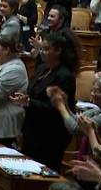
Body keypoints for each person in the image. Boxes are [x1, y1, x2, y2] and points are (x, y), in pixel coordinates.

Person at [15, 31, 77, 172]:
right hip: (32, 129)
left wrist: (29, 102)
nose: (42, 52)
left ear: (58, 50)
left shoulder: (65, 76)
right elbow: (33, 93)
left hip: (51, 135)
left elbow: (57, 108)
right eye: (41, 48)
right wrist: (24, 99)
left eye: (46, 49)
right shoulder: (41, 68)